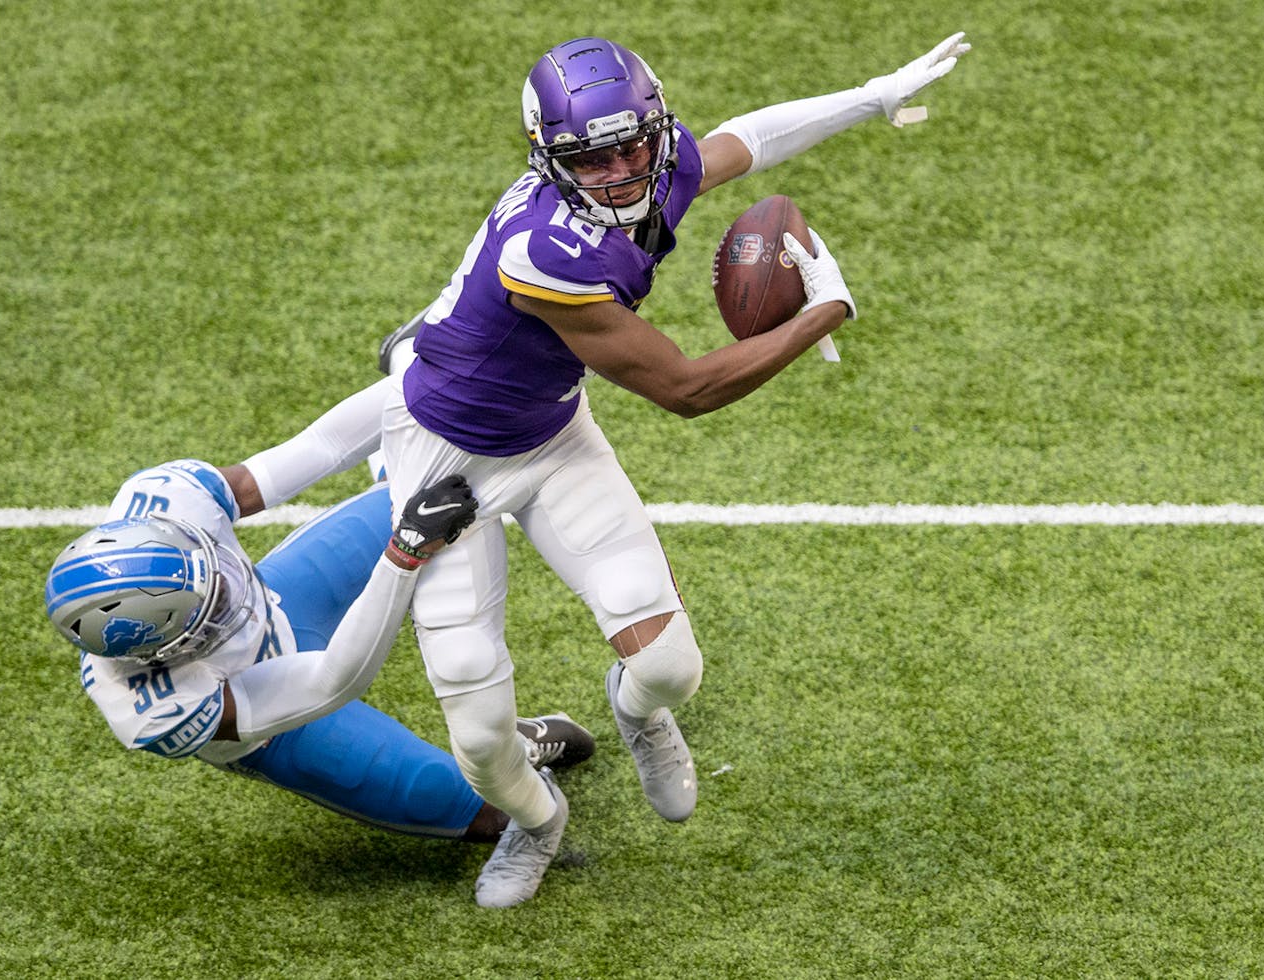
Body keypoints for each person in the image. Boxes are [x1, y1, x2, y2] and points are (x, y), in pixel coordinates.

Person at [374, 33, 972, 905]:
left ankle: (635, 709)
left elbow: (746, 141)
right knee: (475, 726)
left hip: (549, 432)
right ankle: (538, 824)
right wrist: (823, 312)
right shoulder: (547, 252)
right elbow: (687, 390)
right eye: (594, 156)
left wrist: (873, 94)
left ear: (653, 127)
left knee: (670, 670)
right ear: (549, 160)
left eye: (632, 144)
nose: (620, 170)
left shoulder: (652, 161)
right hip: (444, 462)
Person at [43, 374, 594, 846]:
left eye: (218, 575)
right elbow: (333, 683)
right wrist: (402, 556)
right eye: (209, 614)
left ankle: (397, 452)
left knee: (431, 480)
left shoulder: (165, 503)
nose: (230, 596)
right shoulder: (152, 706)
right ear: (162, 654)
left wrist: (415, 384)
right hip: (278, 721)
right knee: (474, 811)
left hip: (287, 597)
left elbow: (317, 446)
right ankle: (510, 750)